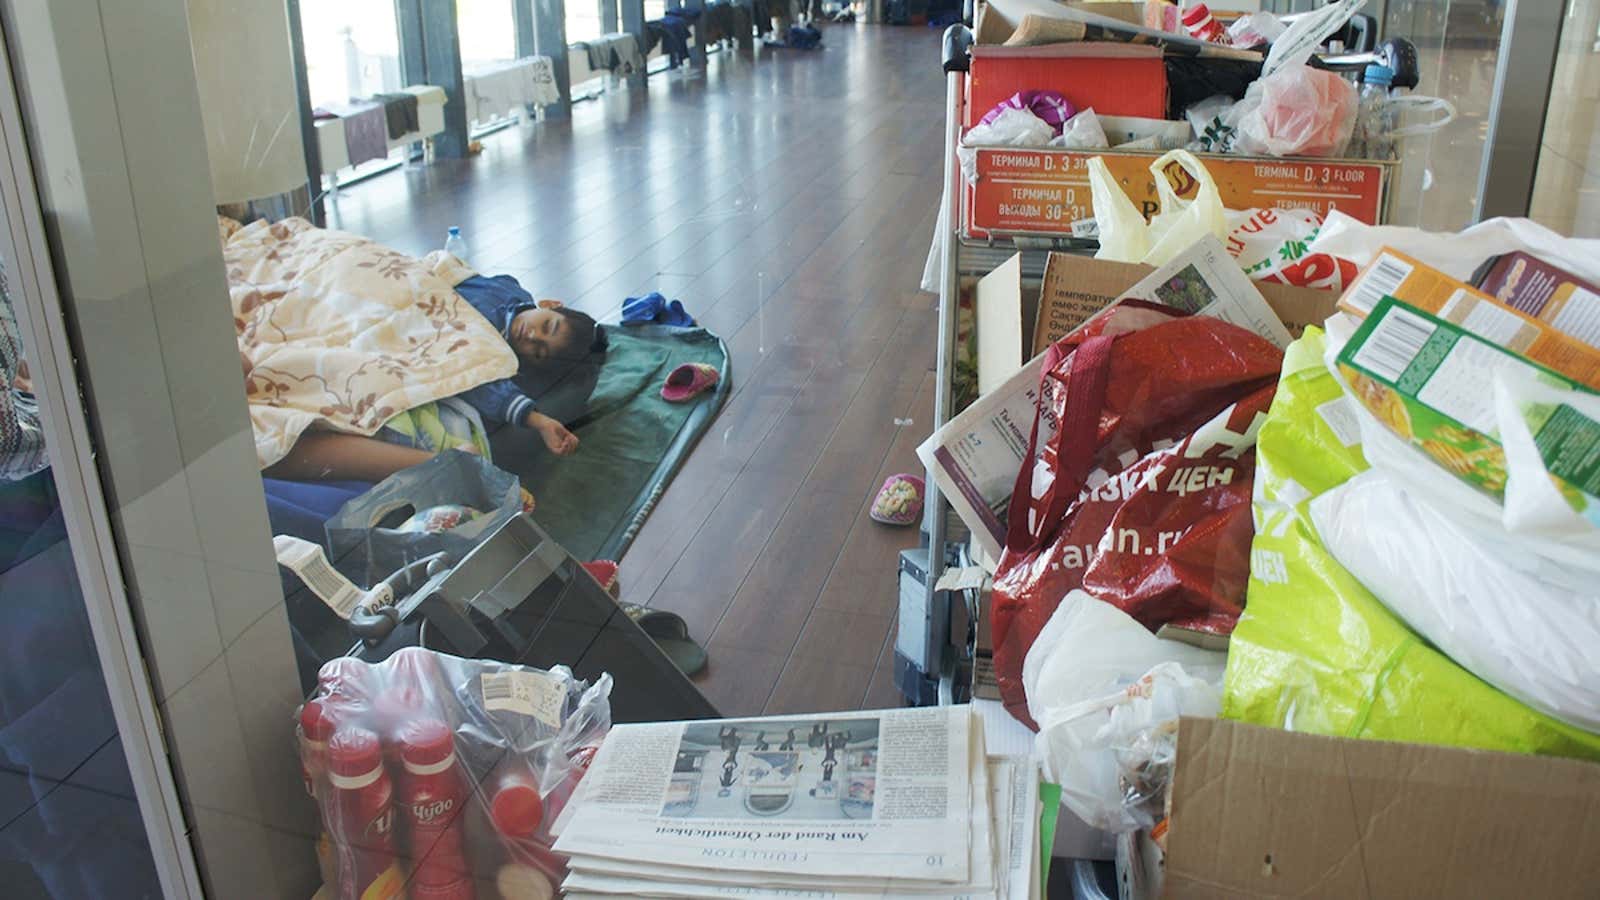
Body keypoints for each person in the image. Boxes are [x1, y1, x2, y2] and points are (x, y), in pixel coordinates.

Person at [454, 273, 608, 457]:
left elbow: (478, 379)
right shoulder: (509, 291)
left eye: (538, 352)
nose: (533, 336)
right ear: (550, 304)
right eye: (547, 326)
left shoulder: (500, 363)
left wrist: (538, 421)